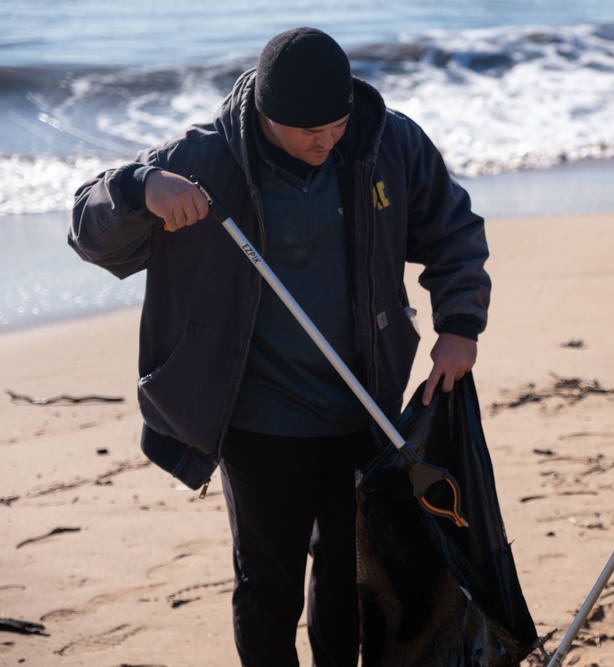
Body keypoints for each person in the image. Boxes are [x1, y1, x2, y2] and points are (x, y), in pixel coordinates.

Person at [69, 27, 490, 666]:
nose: (327, 140)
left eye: (337, 123)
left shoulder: (387, 142)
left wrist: (460, 326)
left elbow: (451, 228)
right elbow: (87, 230)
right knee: (268, 587)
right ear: (267, 116)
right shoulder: (203, 161)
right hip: (258, 420)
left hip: (364, 404)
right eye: (309, 131)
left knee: (350, 578)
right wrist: (139, 187)